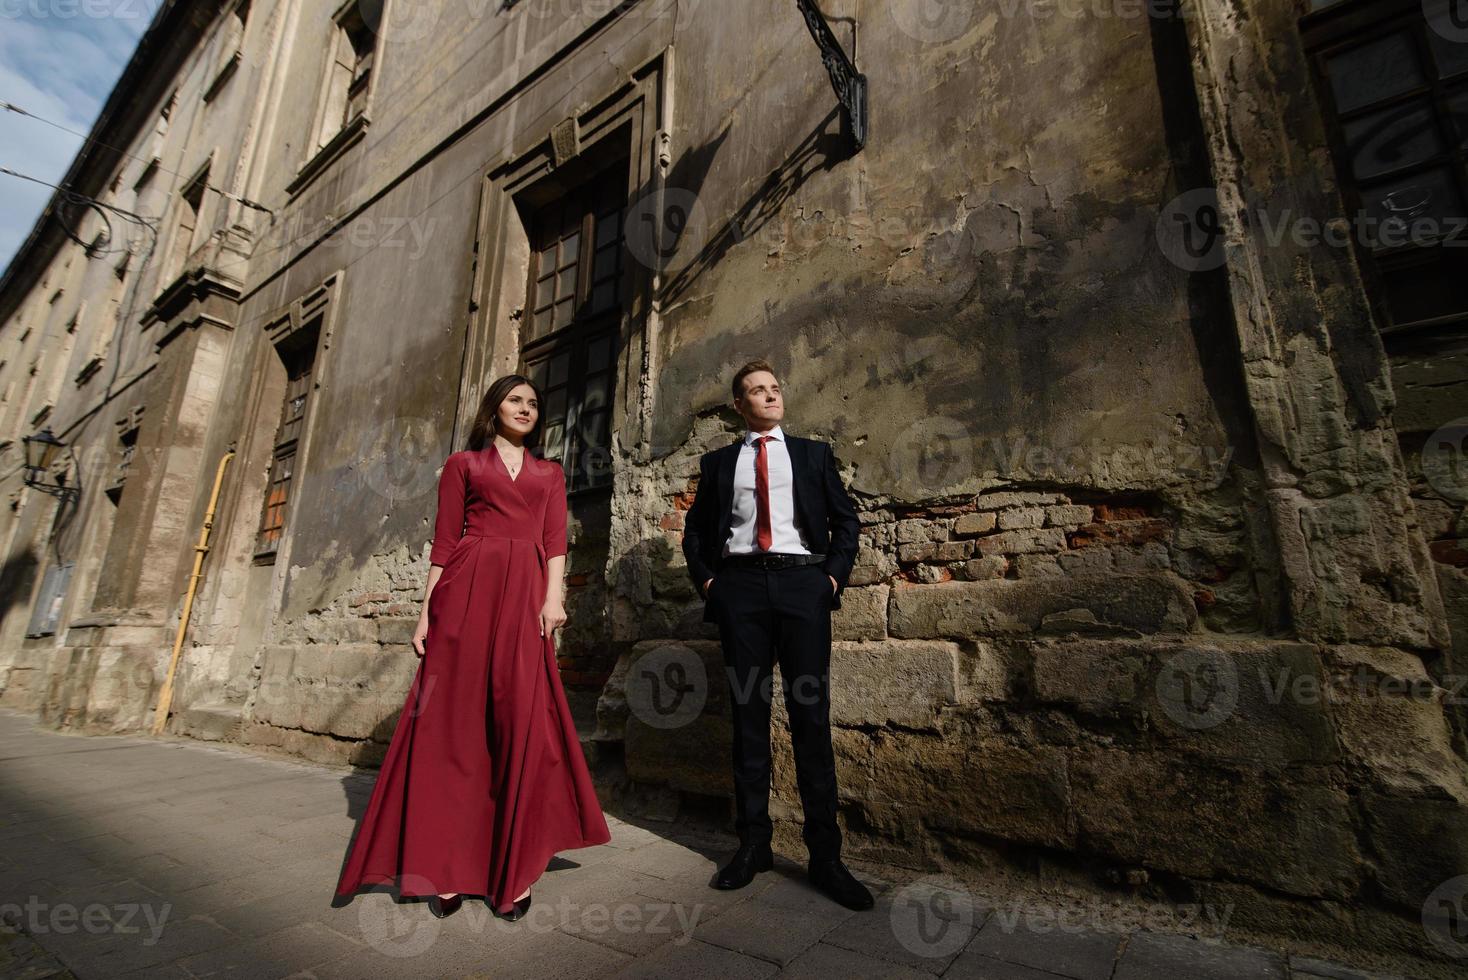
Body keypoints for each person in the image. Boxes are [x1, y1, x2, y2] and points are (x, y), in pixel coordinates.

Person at [335, 374, 611, 920]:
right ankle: (447, 865)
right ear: (494, 408)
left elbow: (555, 542)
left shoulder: (549, 474)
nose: (526, 408)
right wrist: (425, 614)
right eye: (515, 400)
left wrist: (553, 600)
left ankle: (515, 867)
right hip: (465, 594)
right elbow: (444, 541)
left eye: (534, 402)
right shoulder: (464, 466)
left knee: (522, 724)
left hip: (525, 599)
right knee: (454, 729)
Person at [680, 359, 872, 911]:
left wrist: (830, 578)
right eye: (756, 391)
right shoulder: (718, 463)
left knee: (810, 719)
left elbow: (846, 520)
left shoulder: (812, 454)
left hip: (801, 587)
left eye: (774, 388)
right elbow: (696, 533)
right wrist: (712, 585)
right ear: (738, 406)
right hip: (740, 591)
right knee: (748, 717)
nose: (769, 396)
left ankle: (826, 858)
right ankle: (753, 846)